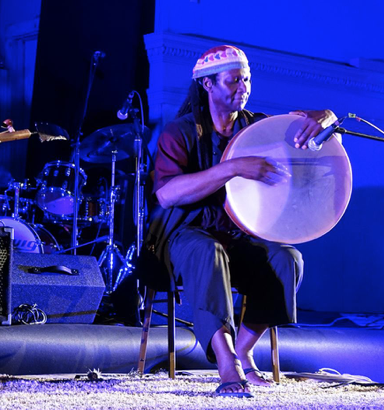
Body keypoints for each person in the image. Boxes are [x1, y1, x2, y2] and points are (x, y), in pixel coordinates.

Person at [144, 45, 338, 397]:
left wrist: (324, 117)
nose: (243, 87)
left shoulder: (258, 128)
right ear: (208, 85)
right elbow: (168, 195)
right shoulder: (181, 132)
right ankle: (227, 365)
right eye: (234, 80)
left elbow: (320, 132)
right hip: (186, 238)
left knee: (286, 259)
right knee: (208, 252)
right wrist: (231, 168)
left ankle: (244, 348)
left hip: (240, 235)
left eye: (246, 79)